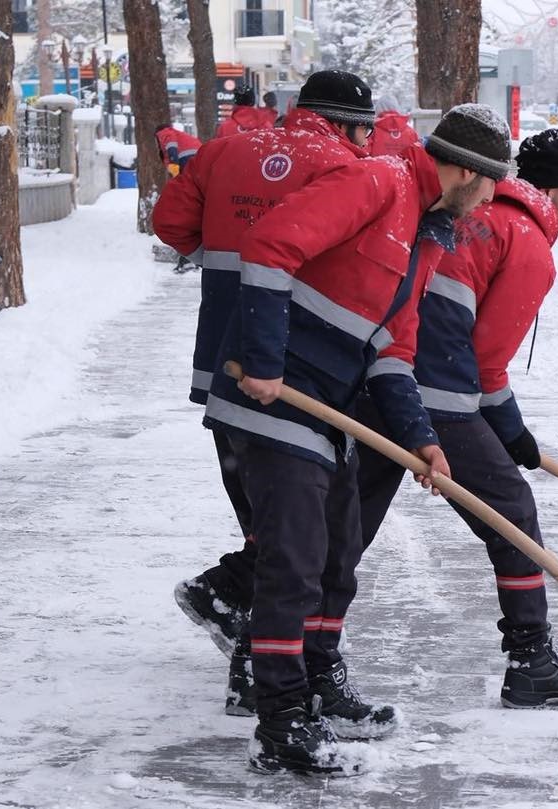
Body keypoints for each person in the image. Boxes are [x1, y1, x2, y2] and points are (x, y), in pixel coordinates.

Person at [205, 104, 507, 775]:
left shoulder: (428, 236)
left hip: (329, 406)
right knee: (295, 556)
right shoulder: (378, 183)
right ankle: (279, 720)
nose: (488, 202)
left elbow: (394, 354)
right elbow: (270, 244)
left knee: (339, 548)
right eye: (487, 185)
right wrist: (264, 357)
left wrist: (422, 440)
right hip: (274, 391)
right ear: (461, 168)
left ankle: (312, 686)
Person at [351, 128, 558, 709]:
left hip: (377, 376)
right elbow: (486, 362)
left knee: (347, 522)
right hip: (432, 392)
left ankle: (260, 627)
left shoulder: (478, 215)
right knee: (511, 512)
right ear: (547, 190)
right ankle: (532, 660)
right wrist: (510, 429)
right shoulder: (526, 242)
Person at [152, 69, 377, 678]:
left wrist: (225, 260)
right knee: (295, 530)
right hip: (290, 365)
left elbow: (170, 226)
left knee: (265, 514)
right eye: (364, 130)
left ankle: (237, 619)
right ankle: (258, 660)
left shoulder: (223, 152)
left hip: (221, 360)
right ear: (348, 124)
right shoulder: (344, 169)